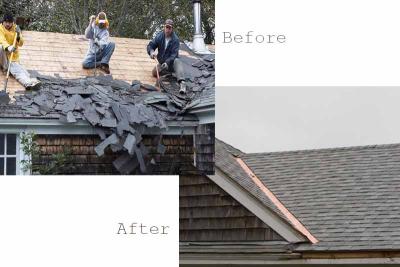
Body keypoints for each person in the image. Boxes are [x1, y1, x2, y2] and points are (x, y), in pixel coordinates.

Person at [0, 13, 41, 90]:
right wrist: (8, 47)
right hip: (2, 53)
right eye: (6, 22)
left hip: (12, 55)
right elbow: (1, 40)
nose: (8, 24)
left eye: (10, 22)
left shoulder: (16, 28)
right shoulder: (0, 28)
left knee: (19, 69)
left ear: (12, 22)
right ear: (3, 22)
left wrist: (18, 35)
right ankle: (27, 82)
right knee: (0, 47)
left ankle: (29, 82)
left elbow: (21, 43)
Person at [147, 19, 186, 94]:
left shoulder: (175, 40)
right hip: (162, 63)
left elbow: (174, 55)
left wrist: (167, 63)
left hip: (171, 63)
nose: (167, 29)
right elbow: (151, 45)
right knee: (154, 73)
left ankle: (182, 83)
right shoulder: (159, 36)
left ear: (172, 29)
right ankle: (169, 74)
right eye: (166, 27)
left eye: (169, 28)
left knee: (177, 61)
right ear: (164, 27)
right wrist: (151, 52)